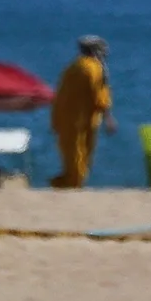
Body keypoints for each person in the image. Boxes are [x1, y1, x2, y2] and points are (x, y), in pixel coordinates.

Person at [49, 35, 116, 189]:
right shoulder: (91, 68)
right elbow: (99, 95)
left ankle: (66, 184)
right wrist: (109, 118)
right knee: (79, 158)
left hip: (69, 119)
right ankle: (70, 186)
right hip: (78, 121)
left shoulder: (74, 66)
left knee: (75, 157)